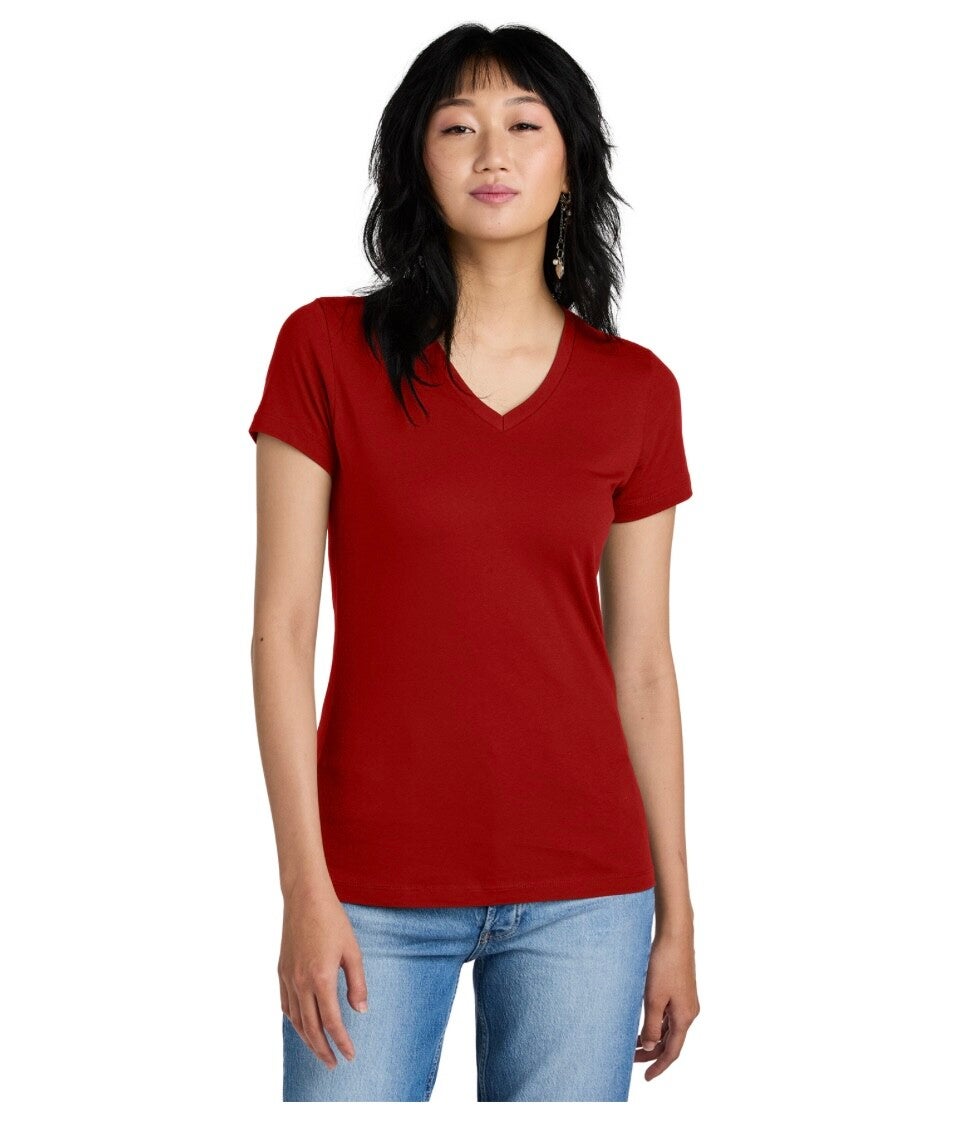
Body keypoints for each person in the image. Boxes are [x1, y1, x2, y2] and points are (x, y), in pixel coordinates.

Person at [248, 23, 700, 1103]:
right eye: (457, 127)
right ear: (417, 158)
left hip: (586, 894)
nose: (492, 153)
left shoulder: (637, 390)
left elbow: (643, 665)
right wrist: (304, 886)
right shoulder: (324, 350)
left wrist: (677, 915)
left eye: (524, 125)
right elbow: (281, 632)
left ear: (571, 164)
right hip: (365, 887)